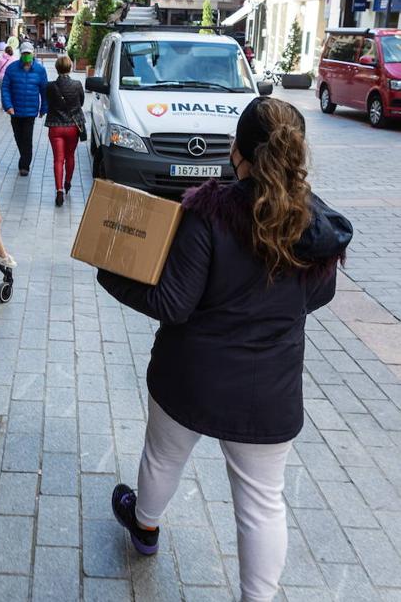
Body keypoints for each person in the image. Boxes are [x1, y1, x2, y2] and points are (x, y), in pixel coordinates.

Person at [97, 97, 352, 602]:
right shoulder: (312, 221)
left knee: (163, 457)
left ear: (238, 150)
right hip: (270, 390)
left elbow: (173, 302)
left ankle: (145, 527)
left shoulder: (209, 211)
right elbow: (319, 294)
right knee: (262, 503)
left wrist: (111, 270)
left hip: (190, 378)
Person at [0, 41, 49, 176]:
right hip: (15, 111)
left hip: (30, 112)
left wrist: (44, 108)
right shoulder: (11, 68)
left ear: (32, 53)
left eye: (28, 53)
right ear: (20, 54)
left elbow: (44, 90)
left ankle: (24, 166)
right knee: (18, 137)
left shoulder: (40, 70)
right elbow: (5, 89)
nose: (26, 56)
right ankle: (24, 158)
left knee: (27, 138)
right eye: (24, 53)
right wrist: (8, 106)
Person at [45, 55, 85, 207]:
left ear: (56, 68)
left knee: (58, 159)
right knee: (70, 156)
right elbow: (80, 103)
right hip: (72, 127)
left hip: (55, 127)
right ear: (70, 67)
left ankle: (59, 190)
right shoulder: (77, 85)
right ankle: (68, 182)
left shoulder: (50, 86)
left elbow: (48, 102)